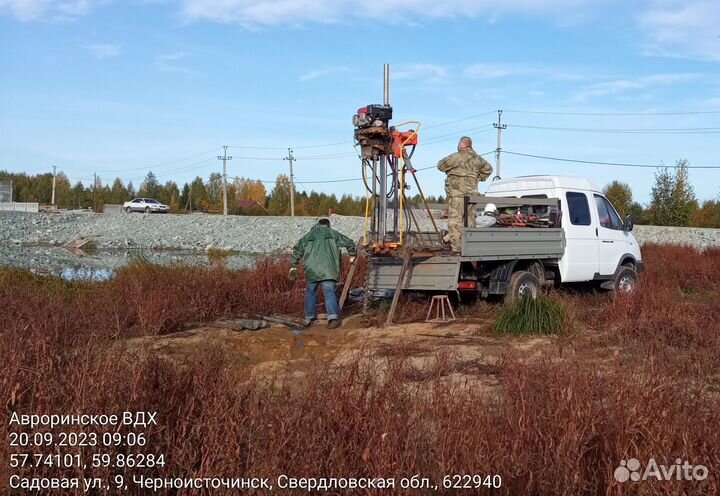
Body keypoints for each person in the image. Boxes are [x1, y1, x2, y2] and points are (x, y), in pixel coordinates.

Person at [289, 218, 356, 329]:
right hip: (328, 269)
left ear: (317, 225)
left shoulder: (308, 236)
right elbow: (348, 242)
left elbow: (297, 249)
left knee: (310, 292)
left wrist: (293, 266)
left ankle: (309, 317)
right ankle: (333, 318)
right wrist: (352, 254)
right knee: (329, 292)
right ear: (328, 225)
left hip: (311, 269)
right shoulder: (332, 233)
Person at [437, 136, 493, 252]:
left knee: (455, 222)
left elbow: (440, 165)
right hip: (472, 196)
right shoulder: (478, 159)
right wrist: (478, 177)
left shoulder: (456, 157)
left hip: (457, 195)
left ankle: (457, 247)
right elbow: (488, 169)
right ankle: (468, 245)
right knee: (470, 221)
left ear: (462, 144)